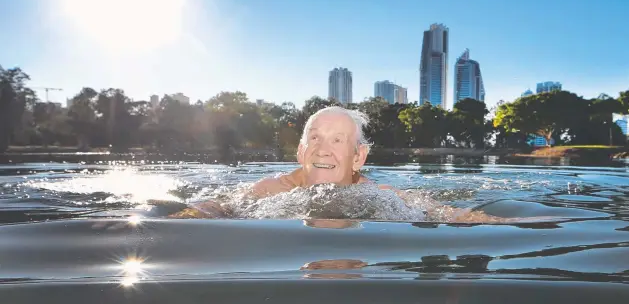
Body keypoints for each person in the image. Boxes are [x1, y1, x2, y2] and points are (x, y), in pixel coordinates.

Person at [169, 106, 510, 223]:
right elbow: (219, 206)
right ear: (301, 152)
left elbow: (443, 213)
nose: (324, 150)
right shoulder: (273, 189)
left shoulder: (379, 194)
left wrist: (527, 224)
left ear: (358, 157)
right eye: (315, 139)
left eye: (338, 140)